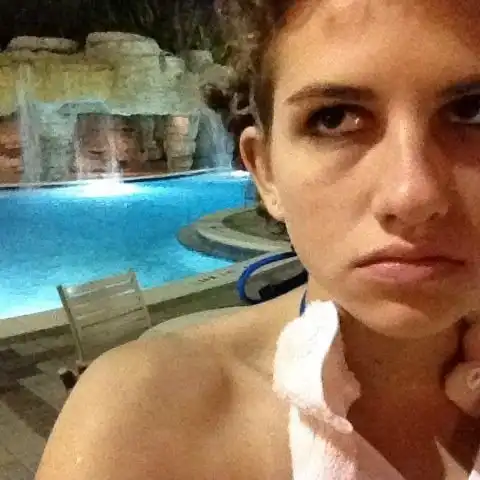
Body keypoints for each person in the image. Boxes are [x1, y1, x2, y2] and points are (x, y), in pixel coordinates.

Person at [36, 0, 480, 478]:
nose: (412, 195)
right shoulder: (138, 427)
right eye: (334, 119)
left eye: (472, 112)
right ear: (265, 171)